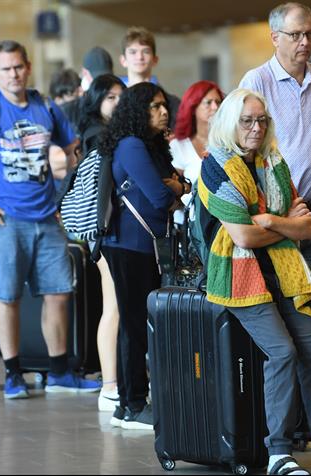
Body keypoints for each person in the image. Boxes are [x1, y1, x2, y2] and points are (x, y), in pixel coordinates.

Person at [199, 88, 311, 476]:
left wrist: (272, 223)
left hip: (283, 271)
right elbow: (242, 237)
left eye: (262, 120)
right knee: (284, 352)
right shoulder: (215, 167)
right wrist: (282, 225)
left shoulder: (274, 163)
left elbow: (306, 226)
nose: (256, 128)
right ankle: (278, 453)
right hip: (237, 277)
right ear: (229, 124)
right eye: (247, 121)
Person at [0, 40, 100, 399]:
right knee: (7, 297)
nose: (13, 74)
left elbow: (72, 147)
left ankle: (59, 372)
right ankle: (13, 374)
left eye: (18, 67)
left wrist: (69, 187)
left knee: (58, 294)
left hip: (46, 219)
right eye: (5, 69)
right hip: (3, 221)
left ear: (28, 67)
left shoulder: (45, 106)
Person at [238, 2, 311, 439]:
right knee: (289, 316)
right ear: (275, 38)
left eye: (310, 34)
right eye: (295, 35)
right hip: (278, 217)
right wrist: (278, 212)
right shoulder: (257, 81)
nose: (305, 42)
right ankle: (288, 424)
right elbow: (247, 149)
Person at [98, 82, 188, 430]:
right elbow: (160, 197)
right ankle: (132, 403)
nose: (163, 111)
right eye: (153, 106)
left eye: (164, 105)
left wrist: (176, 185)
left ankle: (130, 402)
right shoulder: (132, 145)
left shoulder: (150, 145)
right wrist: (176, 186)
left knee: (138, 324)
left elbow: (175, 187)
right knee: (135, 325)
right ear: (137, 111)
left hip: (143, 245)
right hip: (128, 246)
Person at [76, 73, 125, 412]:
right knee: (115, 307)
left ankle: (115, 382)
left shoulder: (108, 135)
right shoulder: (100, 136)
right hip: (105, 234)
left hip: (108, 233)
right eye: (110, 97)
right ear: (96, 103)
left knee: (118, 306)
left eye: (122, 96)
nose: (118, 102)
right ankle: (109, 386)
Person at [170, 80, 224, 221]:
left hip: (223, 222)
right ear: (193, 106)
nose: (215, 107)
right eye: (208, 102)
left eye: (218, 102)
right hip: (189, 225)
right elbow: (172, 190)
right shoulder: (179, 146)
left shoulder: (228, 144)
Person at [119, 26, 181, 130]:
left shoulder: (172, 103)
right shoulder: (116, 100)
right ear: (123, 60)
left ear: (155, 59)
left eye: (146, 51)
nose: (139, 57)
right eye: (133, 52)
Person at [61, 46, 115, 132]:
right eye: (97, 78)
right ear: (84, 73)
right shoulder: (68, 111)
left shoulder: (119, 106)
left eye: (106, 77)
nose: (102, 83)